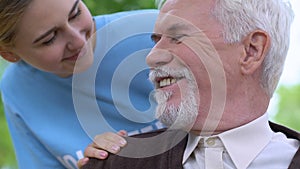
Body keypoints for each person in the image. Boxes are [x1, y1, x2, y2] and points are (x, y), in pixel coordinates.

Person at [81, 0, 300, 168]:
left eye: (177, 37)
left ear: (251, 51)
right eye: (156, 40)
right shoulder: (113, 163)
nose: (152, 57)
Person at [0, 0, 163, 168]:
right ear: (8, 54)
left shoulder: (154, 34)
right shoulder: (18, 91)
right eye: (49, 39)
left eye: (75, 14)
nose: (79, 41)